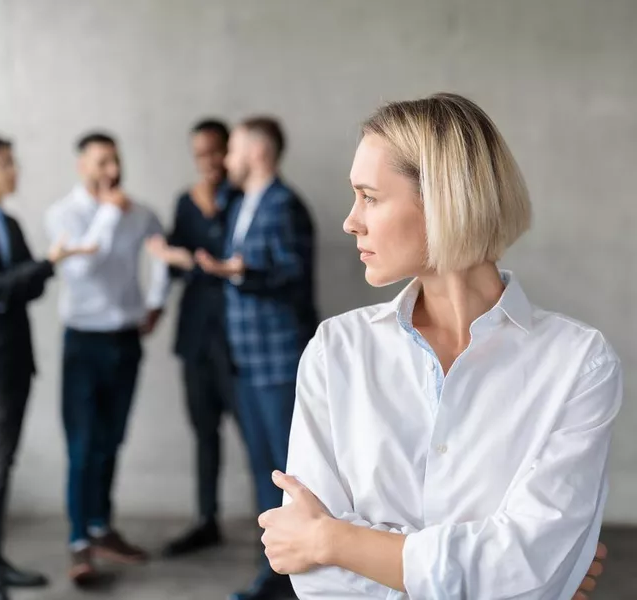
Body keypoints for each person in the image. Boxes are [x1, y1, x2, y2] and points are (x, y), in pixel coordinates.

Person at [257, 93, 618, 600]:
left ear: (443, 199)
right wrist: (502, 579)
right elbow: (321, 584)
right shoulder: (336, 350)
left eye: (370, 196)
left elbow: (532, 563)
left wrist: (333, 538)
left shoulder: (580, 363)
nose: (350, 220)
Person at [0, 135, 95, 600]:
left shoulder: (7, 221)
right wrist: (38, 267)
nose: (15, 171)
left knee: (2, 463)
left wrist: (15, 281)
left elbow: (25, 288)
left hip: (14, 359)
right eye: (5, 164)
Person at [194, 117, 317, 600]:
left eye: (234, 150)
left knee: (290, 475)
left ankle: (294, 579)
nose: (225, 160)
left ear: (258, 152)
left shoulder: (285, 205)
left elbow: (293, 273)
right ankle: (277, 573)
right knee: (264, 470)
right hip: (244, 360)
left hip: (279, 358)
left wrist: (243, 271)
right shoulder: (244, 201)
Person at [45, 132, 169, 584]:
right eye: (101, 163)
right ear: (82, 166)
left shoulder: (141, 213)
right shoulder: (63, 215)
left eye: (115, 161)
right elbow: (78, 270)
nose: (111, 171)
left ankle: (101, 527)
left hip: (125, 341)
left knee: (111, 441)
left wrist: (155, 304)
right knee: (81, 445)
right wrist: (108, 218)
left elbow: (162, 256)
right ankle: (79, 541)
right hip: (83, 342)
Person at [146, 119, 238, 557]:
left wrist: (191, 255)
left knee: (262, 438)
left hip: (239, 340)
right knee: (203, 433)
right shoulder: (186, 201)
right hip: (196, 336)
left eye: (215, 152)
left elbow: (236, 262)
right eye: (200, 154)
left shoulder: (244, 197)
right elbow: (173, 264)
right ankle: (206, 519)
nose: (209, 162)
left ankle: (274, 530)